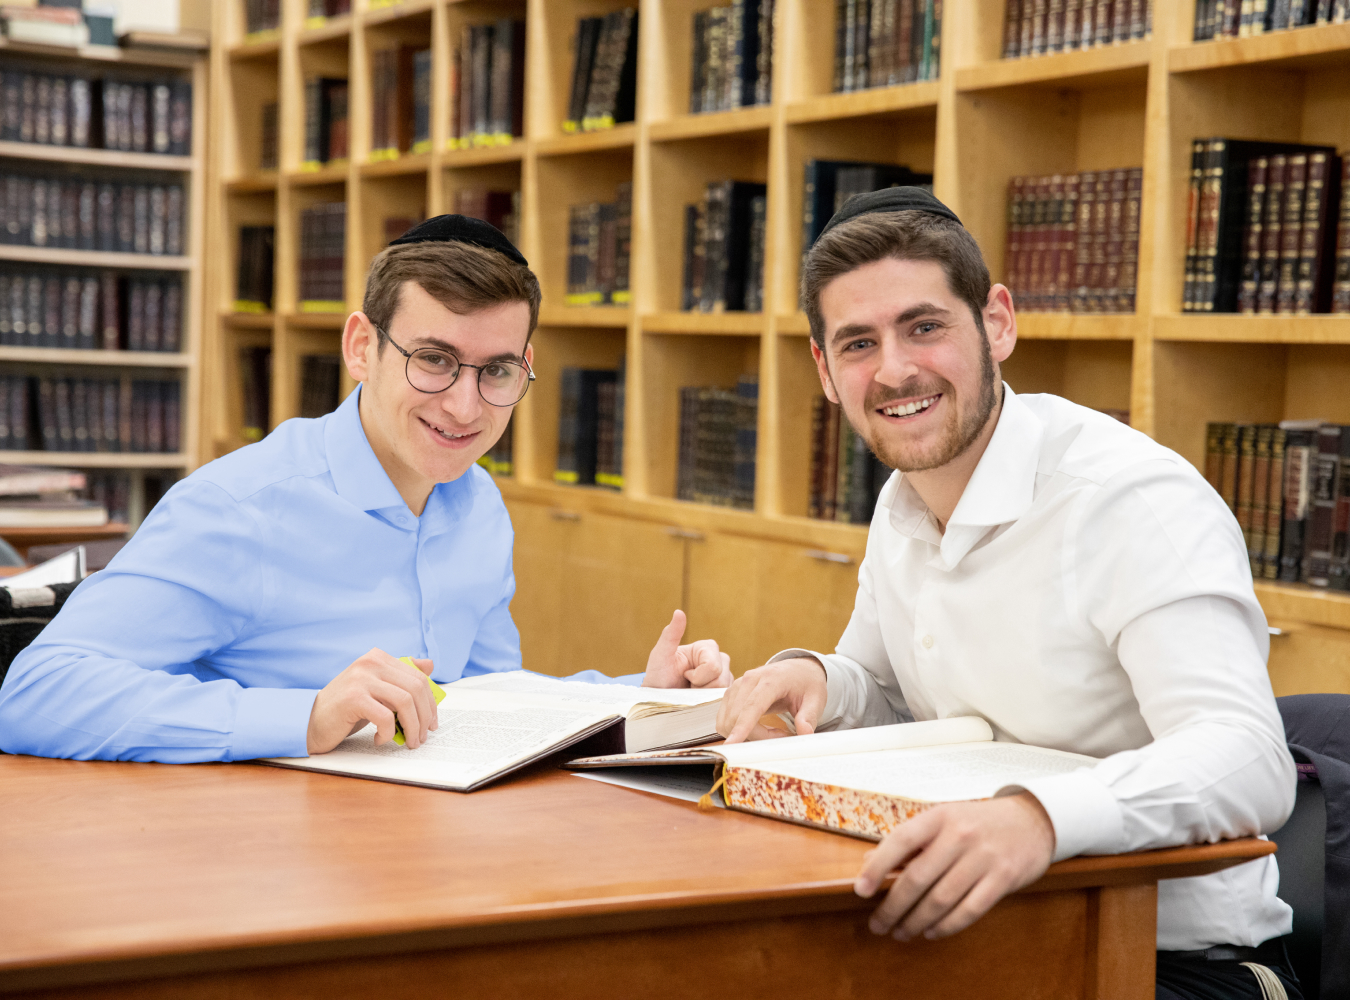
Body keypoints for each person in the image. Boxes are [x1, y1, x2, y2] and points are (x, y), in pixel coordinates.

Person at [712, 188, 1301, 1000]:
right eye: (858, 343)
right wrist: (815, 678)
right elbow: (893, 698)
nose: (894, 369)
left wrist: (1039, 819)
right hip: (989, 940)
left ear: (996, 323)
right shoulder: (905, 495)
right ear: (824, 371)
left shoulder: (1133, 500)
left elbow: (1249, 759)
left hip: (1178, 966)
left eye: (925, 326)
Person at [0, 216, 729, 763]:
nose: (465, 407)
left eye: (497, 372)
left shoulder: (477, 505)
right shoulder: (240, 508)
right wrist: (305, 717)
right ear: (361, 347)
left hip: (417, 855)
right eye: (434, 360)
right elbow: (33, 693)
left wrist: (642, 692)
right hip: (253, 872)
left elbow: (485, 698)